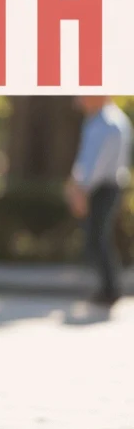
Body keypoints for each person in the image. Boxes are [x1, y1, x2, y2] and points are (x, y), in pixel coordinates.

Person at [65, 97, 133, 306]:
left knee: (99, 237)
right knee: (97, 237)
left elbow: (97, 164)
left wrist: (81, 189)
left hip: (103, 186)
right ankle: (108, 287)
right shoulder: (96, 121)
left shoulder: (109, 122)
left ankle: (110, 289)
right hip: (98, 185)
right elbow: (86, 158)